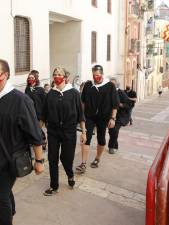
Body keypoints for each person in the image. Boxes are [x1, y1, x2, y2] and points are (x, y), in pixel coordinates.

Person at [0, 59, 44, 225]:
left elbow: (34, 133)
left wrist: (39, 160)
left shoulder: (21, 100)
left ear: (5, 75)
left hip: (11, 157)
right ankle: (10, 210)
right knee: (2, 190)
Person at [41, 67, 86, 195]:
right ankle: (54, 186)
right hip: (53, 131)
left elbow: (80, 115)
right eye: (54, 74)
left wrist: (83, 132)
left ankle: (70, 175)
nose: (56, 76)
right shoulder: (50, 94)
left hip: (69, 131)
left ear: (65, 77)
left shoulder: (74, 93)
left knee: (66, 158)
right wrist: (38, 131)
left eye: (59, 74)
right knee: (52, 158)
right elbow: (43, 115)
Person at [75, 65, 119, 173]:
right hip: (89, 116)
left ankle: (97, 159)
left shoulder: (110, 86)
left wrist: (113, 118)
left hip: (103, 117)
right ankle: (83, 163)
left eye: (98, 75)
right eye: (94, 75)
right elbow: (83, 102)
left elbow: (115, 104)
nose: (96, 77)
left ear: (102, 74)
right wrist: (81, 116)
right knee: (86, 138)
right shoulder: (88, 85)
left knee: (101, 139)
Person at [108, 78, 133, 154]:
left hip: (120, 116)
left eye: (112, 84)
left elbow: (129, 104)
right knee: (111, 131)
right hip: (111, 115)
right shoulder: (108, 92)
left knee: (115, 130)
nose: (110, 85)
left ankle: (111, 147)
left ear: (116, 85)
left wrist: (120, 105)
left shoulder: (121, 92)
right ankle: (115, 145)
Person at [25, 70, 47, 149]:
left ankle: (43, 140)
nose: (30, 79)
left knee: (38, 128)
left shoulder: (40, 89)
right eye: (29, 78)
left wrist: (44, 114)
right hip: (30, 112)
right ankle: (37, 141)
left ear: (36, 79)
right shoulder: (27, 89)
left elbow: (44, 102)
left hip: (38, 112)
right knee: (34, 127)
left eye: (32, 78)